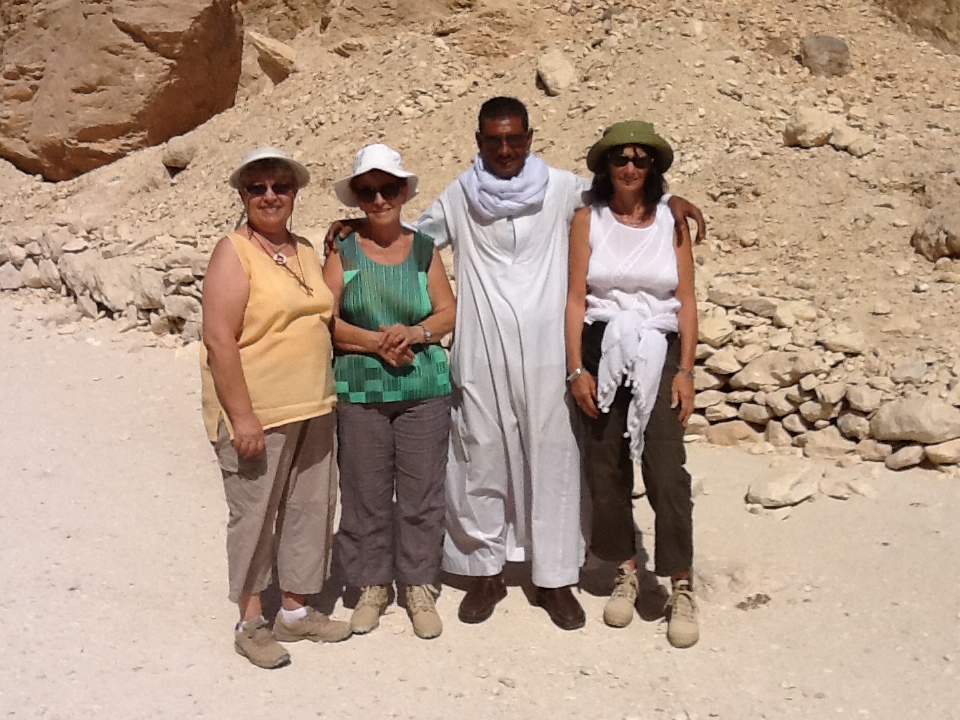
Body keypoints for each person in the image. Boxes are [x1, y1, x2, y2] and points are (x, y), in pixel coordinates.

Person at [414, 97, 706, 630]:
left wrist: (674, 199)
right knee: (482, 452)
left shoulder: (564, 187)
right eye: (493, 140)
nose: (505, 150)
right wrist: (354, 226)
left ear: (530, 137)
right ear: (479, 141)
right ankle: (484, 571)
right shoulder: (460, 194)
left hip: (552, 350)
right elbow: (413, 238)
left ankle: (554, 578)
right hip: (483, 348)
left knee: (555, 459)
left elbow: (628, 196)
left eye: (515, 138)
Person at [200, 146, 351, 669]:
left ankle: (295, 610)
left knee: (310, 511)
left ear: (294, 194)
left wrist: (347, 229)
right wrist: (242, 416)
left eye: (279, 187)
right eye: (257, 187)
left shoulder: (304, 249)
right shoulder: (233, 252)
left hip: (313, 404)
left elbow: (322, 312)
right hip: (260, 411)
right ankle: (250, 621)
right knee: (255, 517)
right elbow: (219, 339)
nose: (269, 196)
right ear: (242, 195)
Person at [564, 121, 699, 647]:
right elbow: (576, 297)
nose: (629, 167)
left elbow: (687, 300)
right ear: (605, 166)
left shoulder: (673, 220)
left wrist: (686, 370)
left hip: (658, 347)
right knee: (606, 461)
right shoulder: (587, 218)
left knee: (666, 465)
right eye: (620, 158)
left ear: (653, 169)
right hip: (602, 344)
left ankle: (681, 583)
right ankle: (626, 569)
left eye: (641, 160)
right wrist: (577, 368)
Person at [323, 144, 456, 640]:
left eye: (389, 189)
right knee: (365, 493)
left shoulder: (424, 248)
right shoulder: (344, 250)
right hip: (360, 388)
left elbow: (447, 311)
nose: (379, 198)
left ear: (403, 192)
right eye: (368, 190)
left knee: (422, 493)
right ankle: (370, 584)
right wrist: (376, 343)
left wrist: (417, 334)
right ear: (357, 197)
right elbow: (324, 317)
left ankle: (419, 584)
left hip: (424, 388)